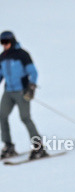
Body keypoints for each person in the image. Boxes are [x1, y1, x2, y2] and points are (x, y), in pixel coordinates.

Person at [0, 31, 47, 160]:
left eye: (6, 42)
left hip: (22, 91)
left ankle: (38, 146)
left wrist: (31, 86)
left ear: (12, 41)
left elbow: (33, 72)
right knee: (2, 116)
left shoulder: (22, 55)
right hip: (8, 91)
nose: (4, 45)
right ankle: (8, 146)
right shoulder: (2, 57)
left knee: (25, 117)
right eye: (2, 42)